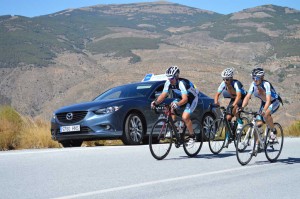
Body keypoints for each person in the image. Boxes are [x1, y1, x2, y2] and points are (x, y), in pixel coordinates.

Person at [151, 66, 199, 147]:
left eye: (172, 78)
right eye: (169, 78)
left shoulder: (182, 84)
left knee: (185, 117)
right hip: (181, 97)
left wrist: (177, 104)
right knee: (170, 108)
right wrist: (155, 103)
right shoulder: (168, 83)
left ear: (176, 77)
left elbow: (185, 99)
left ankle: (192, 136)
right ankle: (175, 128)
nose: (170, 80)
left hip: (192, 98)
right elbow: (163, 95)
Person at [240, 67, 282, 154]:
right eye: (253, 78)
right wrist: (242, 107)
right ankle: (257, 145)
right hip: (264, 103)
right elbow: (247, 97)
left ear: (262, 77)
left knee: (266, 114)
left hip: (273, 102)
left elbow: (268, 100)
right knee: (256, 125)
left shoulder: (266, 84)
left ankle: (273, 131)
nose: (254, 80)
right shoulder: (253, 84)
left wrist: (264, 110)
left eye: (256, 78)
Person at [214, 67, 247, 147]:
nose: (225, 81)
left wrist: (233, 105)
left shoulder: (236, 83)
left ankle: (240, 122)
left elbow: (239, 96)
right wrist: (216, 102)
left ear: (231, 78)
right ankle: (228, 137)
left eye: (227, 79)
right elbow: (217, 94)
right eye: (224, 79)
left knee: (234, 108)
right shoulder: (223, 83)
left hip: (241, 97)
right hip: (233, 98)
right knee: (227, 118)